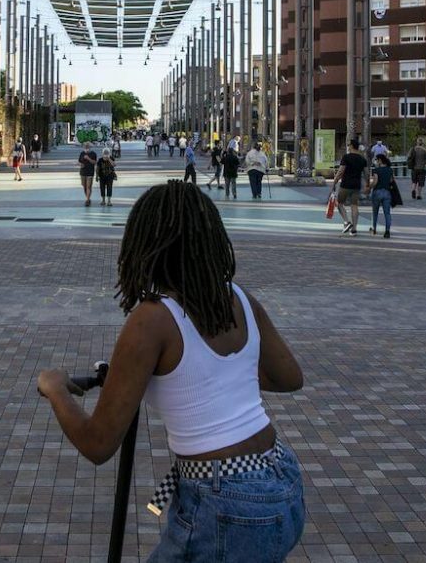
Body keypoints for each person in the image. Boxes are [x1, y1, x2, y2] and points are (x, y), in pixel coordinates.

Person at [37, 182, 306, 562]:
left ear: (144, 243)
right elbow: (288, 377)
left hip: (226, 503)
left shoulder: (152, 320)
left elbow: (98, 444)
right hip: (281, 477)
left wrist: (55, 389)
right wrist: (217, 374)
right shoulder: (238, 299)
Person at [331, 138, 367, 235]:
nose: (347, 146)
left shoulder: (346, 157)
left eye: (348, 145)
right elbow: (366, 174)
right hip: (356, 185)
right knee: (354, 206)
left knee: (339, 203)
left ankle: (347, 221)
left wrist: (335, 180)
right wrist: (367, 185)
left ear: (351, 146)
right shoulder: (362, 159)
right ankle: (354, 229)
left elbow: (341, 171)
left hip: (346, 185)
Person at [368, 153, 394, 238]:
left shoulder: (376, 170)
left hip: (377, 192)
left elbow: (375, 182)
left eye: (376, 160)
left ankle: (374, 229)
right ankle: (387, 231)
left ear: (379, 160)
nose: (376, 161)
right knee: (387, 213)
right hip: (387, 193)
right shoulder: (390, 170)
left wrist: (369, 187)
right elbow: (391, 181)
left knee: (375, 212)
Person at [78, 141, 98, 206]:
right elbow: (79, 161)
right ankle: (88, 198)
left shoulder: (93, 154)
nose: (86, 148)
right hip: (83, 172)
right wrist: (80, 164)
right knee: (84, 186)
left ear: (90, 147)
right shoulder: (82, 153)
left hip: (90, 172)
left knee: (88, 186)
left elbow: (95, 162)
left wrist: (88, 158)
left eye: (88, 147)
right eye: (85, 147)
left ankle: (87, 200)